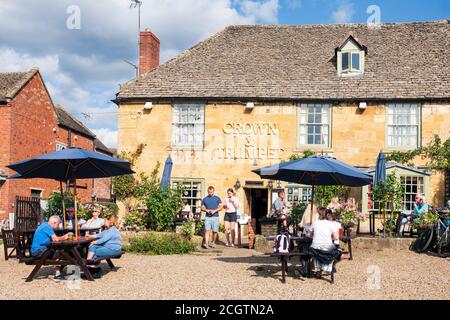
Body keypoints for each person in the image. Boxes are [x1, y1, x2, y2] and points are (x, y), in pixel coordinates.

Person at [30, 216, 68, 281]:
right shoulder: (47, 227)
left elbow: (53, 239)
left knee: (62, 251)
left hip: (38, 250)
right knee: (60, 252)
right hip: (38, 251)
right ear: (54, 222)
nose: (58, 226)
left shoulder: (45, 225)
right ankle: (57, 274)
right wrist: (65, 237)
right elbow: (55, 239)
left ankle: (57, 271)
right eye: (58, 224)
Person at [307, 207, 339, 276]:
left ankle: (318, 271)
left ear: (318, 214)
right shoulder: (332, 224)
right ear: (327, 215)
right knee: (336, 252)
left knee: (317, 251)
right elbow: (336, 237)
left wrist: (314, 236)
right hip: (327, 249)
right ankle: (327, 268)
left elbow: (308, 234)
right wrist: (329, 237)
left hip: (315, 249)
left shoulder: (315, 223)